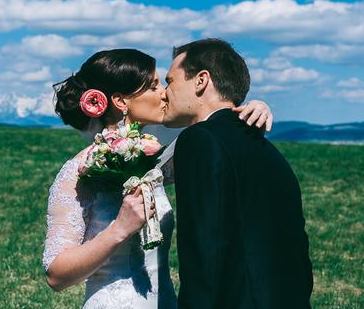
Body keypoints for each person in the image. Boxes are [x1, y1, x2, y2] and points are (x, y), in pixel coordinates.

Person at [42, 48, 273, 309]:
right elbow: (56, 275)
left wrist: (246, 115)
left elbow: (213, 154)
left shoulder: (154, 162)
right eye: (153, 86)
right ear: (121, 101)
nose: (164, 93)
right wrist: (119, 230)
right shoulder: (79, 173)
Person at [160, 38, 313, 309]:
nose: (164, 93)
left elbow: (203, 249)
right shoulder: (268, 149)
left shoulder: (200, 140)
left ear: (201, 80)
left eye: (170, 81)